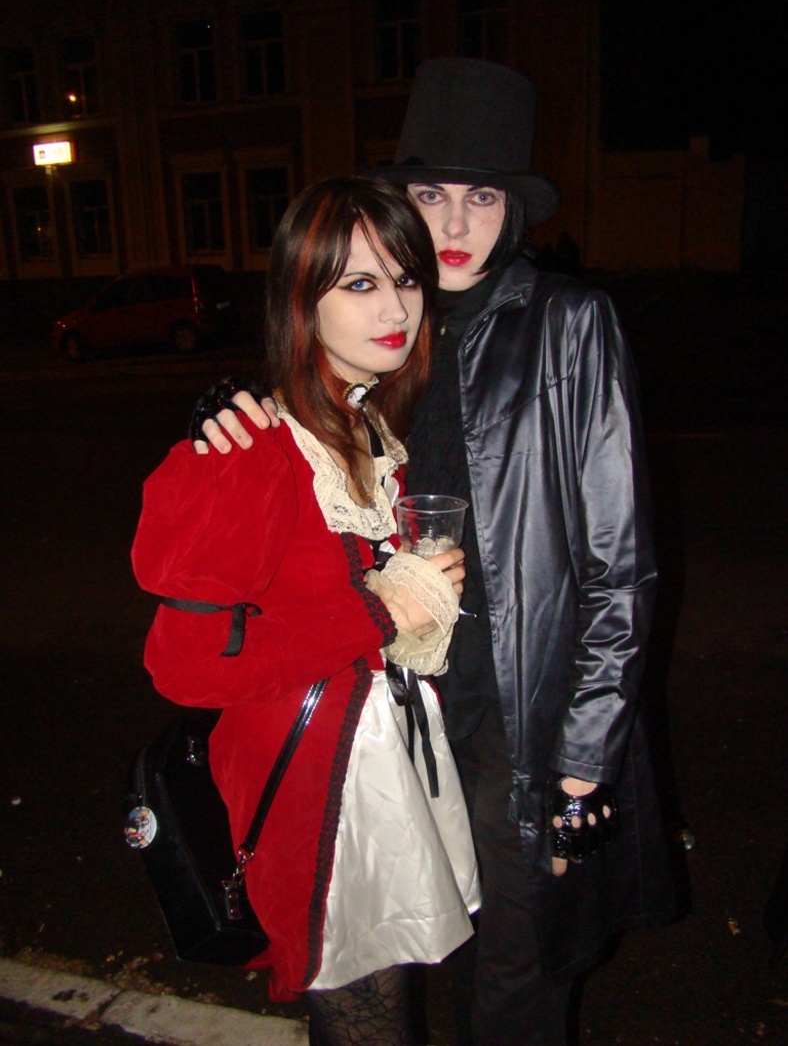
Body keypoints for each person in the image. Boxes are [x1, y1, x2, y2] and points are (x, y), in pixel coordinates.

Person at [188, 59, 676, 1046]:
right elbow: (300, 447)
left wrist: (583, 762)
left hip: (518, 721)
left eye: (481, 198)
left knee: (512, 982)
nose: (454, 224)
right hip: (396, 708)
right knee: (391, 958)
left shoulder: (566, 325)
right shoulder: (384, 325)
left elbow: (619, 568)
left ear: (512, 211)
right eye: (430, 197)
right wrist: (225, 411)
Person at [131, 176, 481, 1046]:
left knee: (385, 1003)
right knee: (367, 1020)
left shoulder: (370, 426)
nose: (395, 307)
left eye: (405, 278)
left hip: (386, 762)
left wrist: (416, 607)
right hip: (316, 790)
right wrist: (381, 611)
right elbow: (184, 666)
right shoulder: (251, 448)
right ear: (300, 299)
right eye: (359, 283)